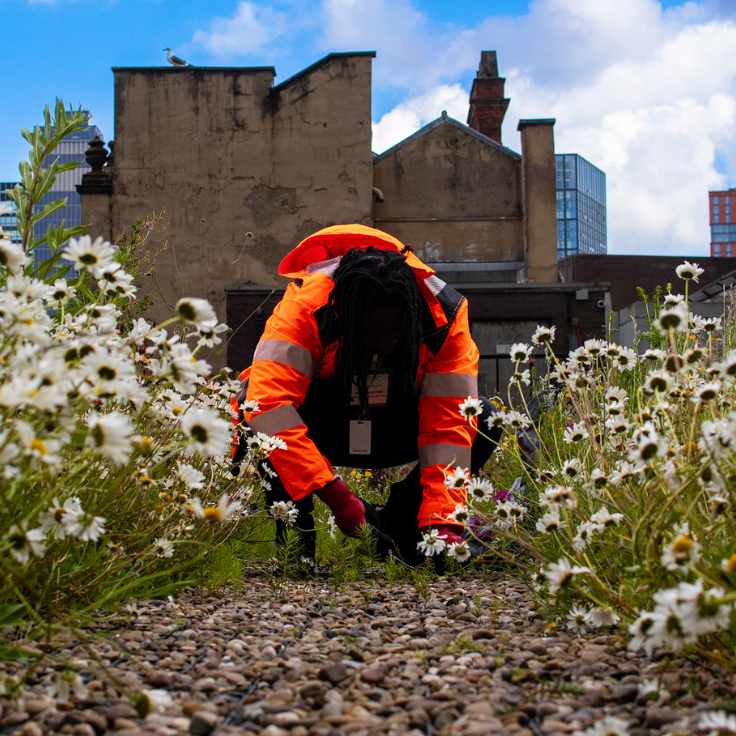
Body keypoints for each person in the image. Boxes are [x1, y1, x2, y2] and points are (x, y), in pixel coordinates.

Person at [231, 224, 500, 566]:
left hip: (396, 427)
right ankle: (296, 547)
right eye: (370, 332)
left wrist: (443, 524)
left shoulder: (442, 317)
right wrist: (339, 498)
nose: (384, 343)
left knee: (482, 418)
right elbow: (270, 407)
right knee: (251, 408)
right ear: (342, 313)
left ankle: (404, 528)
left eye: (395, 333)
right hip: (325, 427)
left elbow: (448, 428)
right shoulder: (305, 308)